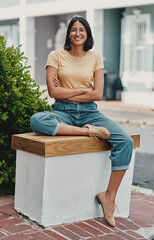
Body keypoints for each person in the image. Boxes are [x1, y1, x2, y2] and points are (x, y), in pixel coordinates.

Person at [30, 16, 133, 227]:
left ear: (87, 34)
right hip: (62, 111)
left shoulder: (95, 58)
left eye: (82, 30)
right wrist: (82, 89)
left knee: (126, 141)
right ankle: (87, 132)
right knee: (37, 120)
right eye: (74, 29)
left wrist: (68, 92)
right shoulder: (56, 55)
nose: (78, 33)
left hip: (90, 113)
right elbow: (52, 92)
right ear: (69, 33)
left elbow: (97, 95)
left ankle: (109, 197)